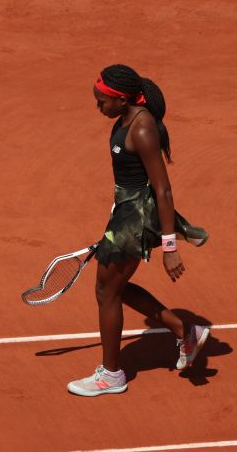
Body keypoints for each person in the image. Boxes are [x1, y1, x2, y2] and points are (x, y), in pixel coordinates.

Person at [67, 64, 210, 397]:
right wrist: (116, 213)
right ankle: (183, 331)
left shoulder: (142, 129)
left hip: (138, 216)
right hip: (126, 213)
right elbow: (130, 181)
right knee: (111, 287)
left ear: (121, 99)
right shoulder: (125, 119)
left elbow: (163, 189)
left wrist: (170, 246)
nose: (98, 107)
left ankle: (111, 376)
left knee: (107, 291)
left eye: (102, 101)